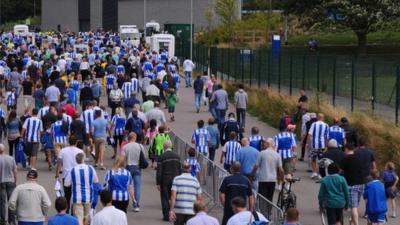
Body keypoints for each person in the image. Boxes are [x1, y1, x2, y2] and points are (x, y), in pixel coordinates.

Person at [64, 153, 99, 225]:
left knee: (79, 220)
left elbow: (66, 184)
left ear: (76, 160)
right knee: (87, 219)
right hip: (88, 197)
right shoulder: (90, 168)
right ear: (83, 159)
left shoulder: (72, 170)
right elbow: (96, 181)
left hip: (77, 198)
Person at [56, 135, 85, 213]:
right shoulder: (80, 151)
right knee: (76, 194)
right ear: (76, 142)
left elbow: (59, 164)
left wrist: (57, 174)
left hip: (66, 175)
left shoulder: (63, 150)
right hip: (77, 175)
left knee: (67, 195)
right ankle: (74, 211)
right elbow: (83, 164)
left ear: (68, 141)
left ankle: (66, 210)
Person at [156, 140, 182, 221]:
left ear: (164, 147)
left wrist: (158, 182)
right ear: (171, 146)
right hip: (176, 180)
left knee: (165, 198)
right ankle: (176, 215)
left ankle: (166, 216)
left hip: (165, 180)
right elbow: (179, 169)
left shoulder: (161, 157)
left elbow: (159, 171)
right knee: (175, 197)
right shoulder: (177, 156)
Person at [252, 138, 283, 203]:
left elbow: (256, 166)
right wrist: (281, 177)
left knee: (262, 197)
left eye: (265, 143)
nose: (263, 144)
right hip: (272, 179)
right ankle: (269, 211)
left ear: (268, 144)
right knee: (270, 197)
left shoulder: (262, 153)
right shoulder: (277, 155)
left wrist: (253, 174)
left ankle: (262, 211)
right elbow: (281, 169)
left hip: (263, 178)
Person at [341, 144, 364, 225]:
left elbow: (340, 171)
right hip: (361, 184)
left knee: (353, 207)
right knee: (355, 205)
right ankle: (351, 221)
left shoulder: (345, 159)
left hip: (351, 185)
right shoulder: (359, 158)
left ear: (347, 149)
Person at [123, 132, 144, 212]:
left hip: (128, 167)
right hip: (137, 167)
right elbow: (142, 157)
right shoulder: (140, 146)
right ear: (135, 137)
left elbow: (122, 159)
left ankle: (125, 201)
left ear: (129, 137)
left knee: (128, 186)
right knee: (137, 186)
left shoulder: (125, 147)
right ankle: (136, 205)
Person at [308, 113, 329, 179]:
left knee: (313, 159)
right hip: (322, 145)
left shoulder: (314, 124)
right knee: (321, 160)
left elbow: (309, 135)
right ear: (323, 118)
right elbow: (327, 137)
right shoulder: (326, 125)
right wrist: (326, 146)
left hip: (314, 145)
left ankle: (314, 172)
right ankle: (320, 173)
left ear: (317, 117)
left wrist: (309, 144)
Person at [0, 144, 17, 225]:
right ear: (4, 150)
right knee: (11, 201)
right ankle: (12, 220)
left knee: (2, 202)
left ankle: (3, 220)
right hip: (11, 181)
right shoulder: (11, 158)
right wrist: (15, 181)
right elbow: (15, 171)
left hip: (1, 182)